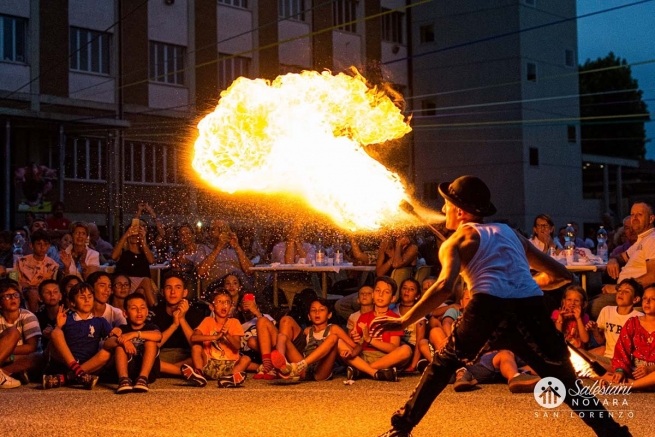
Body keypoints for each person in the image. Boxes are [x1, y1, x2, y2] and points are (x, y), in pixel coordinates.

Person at [371, 175, 629, 437]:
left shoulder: (456, 242)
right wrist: (522, 282)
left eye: (446, 204)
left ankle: (401, 430)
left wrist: (404, 321)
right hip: (531, 307)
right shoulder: (511, 233)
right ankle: (614, 433)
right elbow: (563, 276)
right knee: (566, 380)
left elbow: (443, 287)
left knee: (443, 365)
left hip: (488, 307)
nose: (442, 210)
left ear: (459, 211)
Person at [43, 282, 117, 390]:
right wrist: (58, 326)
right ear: (72, 303)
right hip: (66, 361)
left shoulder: (100, 321)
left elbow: (111, 337)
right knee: (56, 332)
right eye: (82, 297)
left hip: (88, 363)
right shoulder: (66, 319)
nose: (87, 300)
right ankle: (79, 374)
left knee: (106, 353)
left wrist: (118, 334)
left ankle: (68, 377)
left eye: (90, 297)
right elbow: (53, 344)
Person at [271, 297, 361, 381]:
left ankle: (299, 366)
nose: (317, 313)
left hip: (321, 371)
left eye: (321, 310)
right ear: (309, 316)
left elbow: (356, 347)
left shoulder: (334, 328)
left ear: (329, 315)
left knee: (333, 337)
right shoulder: (307, 331)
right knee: (281, 336)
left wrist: (351, 353)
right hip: (304, 370)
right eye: (313, 310)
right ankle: (283, 366)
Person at [592, 202, 655, 319]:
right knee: (584, 295)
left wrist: (618, 288)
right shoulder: (641, 241)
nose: (634, 218)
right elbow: (620, 257)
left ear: (651, 219)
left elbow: (652, 276)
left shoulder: (652, 240)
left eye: (639, 215)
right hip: (623, 290)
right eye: (632, 215)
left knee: (590, 307)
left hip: (633, 295)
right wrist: (613, 260)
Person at [344, 276, 411, 382]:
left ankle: (362, 370)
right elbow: (360, 345)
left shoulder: (395, 319)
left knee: (406, 350)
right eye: (378, 290)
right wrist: (353, 342)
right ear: (373, 294)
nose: (381, 295)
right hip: (364, 356)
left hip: (385, 358)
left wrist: (370, 339)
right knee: (339, 343)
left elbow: (393, 348)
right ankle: (376, 372)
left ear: (393, 298)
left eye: (386, 292)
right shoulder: (364, 317)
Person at [183, 289, 249, 388]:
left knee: (246, 359)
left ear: (231, 307)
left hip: (229, 365)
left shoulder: (234, 322)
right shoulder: (208, 321)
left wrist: (227, 335)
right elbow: (194, 338)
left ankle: (230, 378)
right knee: (196, 347)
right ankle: (199, 374)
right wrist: (215, 336)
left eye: (227, 302)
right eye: (220, 302)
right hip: (209, 363)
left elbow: (237, 346)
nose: (224, 305)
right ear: (212, 307)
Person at [148, 273, 205, 377]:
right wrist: (174, 325)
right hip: (163, 354)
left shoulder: (196, 313)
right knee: (145, 358)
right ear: (162, 292)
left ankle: (165, 370)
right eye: (168, 288)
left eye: (177, 288)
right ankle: (181, 372)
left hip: (186, 355)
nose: (173, 292)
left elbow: (196, 345)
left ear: (185, 292)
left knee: (202, 357)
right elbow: (155, 345)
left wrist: (182, 319)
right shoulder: (154, 312)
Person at [587, 278, 643, 370]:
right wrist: (595, 330)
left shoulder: (639, 318)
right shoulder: (607, 310)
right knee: (580, 354)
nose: (621, 293)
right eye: (619, 290)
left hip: (623, 362)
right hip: (607, 357)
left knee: (590, 366)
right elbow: (600, 341)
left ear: (635, 299)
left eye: (627, 291)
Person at [607, 284, 655, 391]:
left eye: (653, 299)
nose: (647, 302)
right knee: (592, 367)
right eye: (645, 299)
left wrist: (650, 369)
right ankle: (635, 383)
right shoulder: (633, 322)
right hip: (634, 371)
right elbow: (621, 350)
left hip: (653, 373)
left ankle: (628, 386)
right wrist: (620, 371)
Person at [113, 293, 162, 394]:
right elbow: (107, 343)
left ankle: (142, 379)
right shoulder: (122, 329)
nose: (139, 311)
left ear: (147, 311)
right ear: (125, 314)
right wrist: (124, 341)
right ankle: (123, 379)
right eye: (134, 308)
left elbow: (158, 336)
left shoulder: (151, 327)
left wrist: (134, 334)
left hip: (148, 371)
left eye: (142, 308)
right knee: (119, 346)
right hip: (129, 369)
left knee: (151, 342)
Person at [0, 280, 42, 387]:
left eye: (16, 295)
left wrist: (8, 353)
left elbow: (31, 347)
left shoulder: (28, 316)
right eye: (7, 296)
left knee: (37, 357)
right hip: (4, 357)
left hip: (21, 357)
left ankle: (3, 373)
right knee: (12, 332)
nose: (13, 298)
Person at [196, 219, 253, 291]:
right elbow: (201, 273)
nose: (222, 232)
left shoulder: (233, 249)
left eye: (225, 228)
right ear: (211, 232)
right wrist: (219, 246)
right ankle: (256, 297)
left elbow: (250, 271)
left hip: (237, 286)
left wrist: (237, 247)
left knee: (239, 277)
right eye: (219, 229)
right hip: (215, 287)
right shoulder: (203, 248)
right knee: (236, 274)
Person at [111, 220, 157, 307]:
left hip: (140, 287)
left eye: (137, 234)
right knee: (146, 280)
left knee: (142, 292)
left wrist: (143, 240)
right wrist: (126, 235)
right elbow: (113, 256)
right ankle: (155, 308)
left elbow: (151, 260)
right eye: (132, 233)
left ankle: (147, 315)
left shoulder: (144, 253)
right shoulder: (123, 252)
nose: (134, 236)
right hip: (125, 284)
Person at [13, 229, 59, 312]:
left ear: (49, 246)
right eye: (38, 244)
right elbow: (14, 280)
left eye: (45, 244)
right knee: (33, 293)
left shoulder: (53, 265)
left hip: (44, 292)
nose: (42, 247)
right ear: (31, 245)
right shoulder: (20, 261)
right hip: (24, 291)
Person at [395, 278, 427, 372]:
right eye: (404, 288)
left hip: (411, 349)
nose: (407, 291)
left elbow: (419, 341)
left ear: (417, 296)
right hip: (395, 346)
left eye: (412, 289)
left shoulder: (419, 313)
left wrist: (412, 366)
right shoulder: (393, 309)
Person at [35, 279, 63, 350]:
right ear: (40, 298)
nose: (52, 295)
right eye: (47, 292)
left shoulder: (68, 315)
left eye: (55, 292)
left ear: (60, 296)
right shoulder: (36, 318)